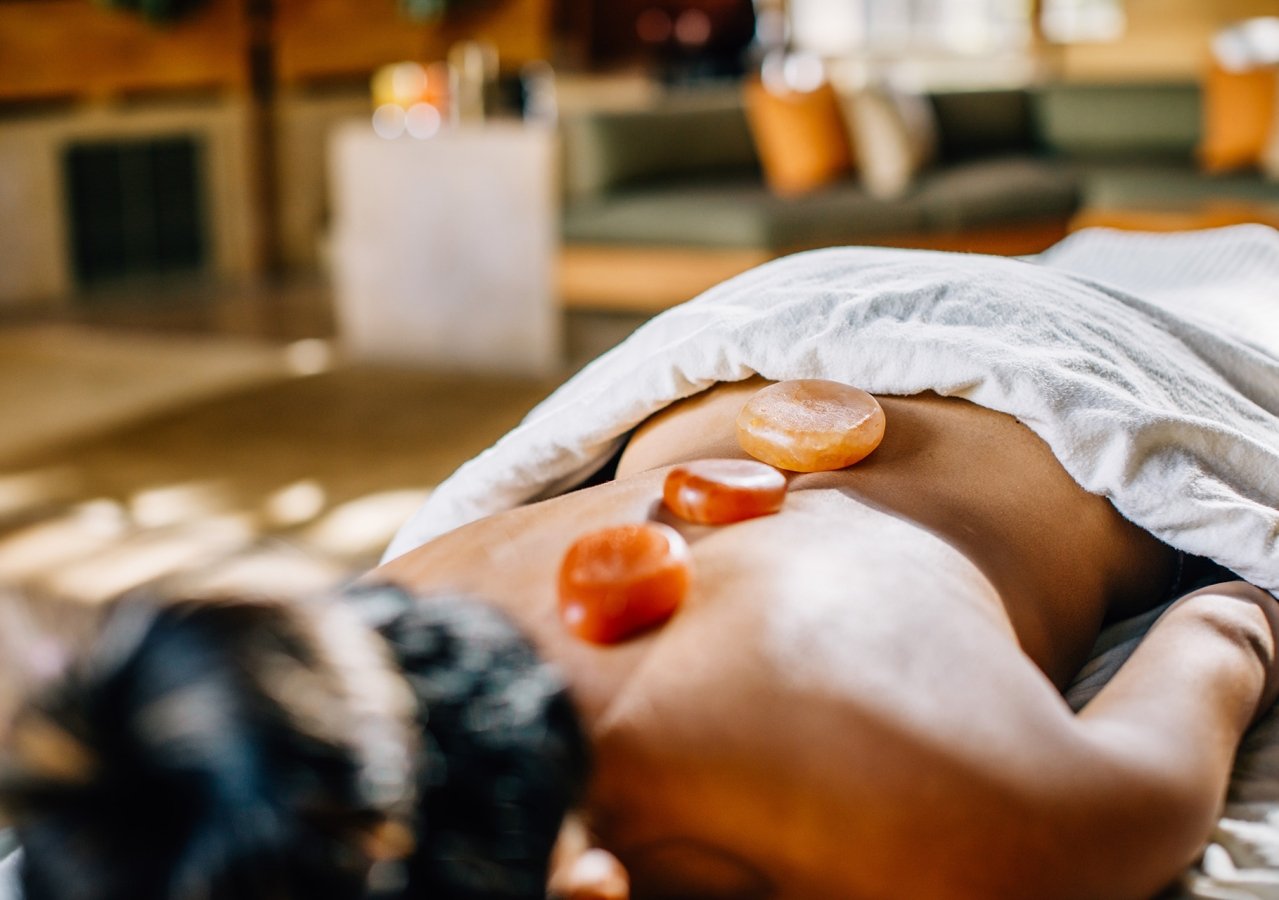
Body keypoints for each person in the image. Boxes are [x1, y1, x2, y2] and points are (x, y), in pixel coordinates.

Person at [4, 226, 1279, 900]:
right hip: (774, 321)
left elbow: (1231, 621)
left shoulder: (937, 818)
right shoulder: (317, 668)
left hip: (1035, 364)